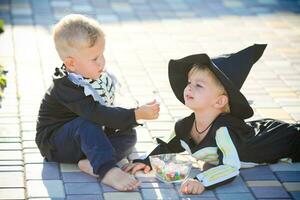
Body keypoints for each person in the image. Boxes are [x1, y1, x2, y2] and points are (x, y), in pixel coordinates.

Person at [123, 44, 300, 194]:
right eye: (189, 82)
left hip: (284, 139)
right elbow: (167, 145)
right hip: (260, 131)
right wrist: (145, 161)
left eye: (198, 85)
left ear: (220, 101)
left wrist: (202, 180)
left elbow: (230, 167)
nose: (189, 88)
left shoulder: (223, 131)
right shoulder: (184, 126)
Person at [35, 14, 160, 192]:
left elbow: (106, 112)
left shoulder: (91, 78)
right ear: (71, 63)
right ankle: (107, 170)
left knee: (128, 134)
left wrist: (128, 119)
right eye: (94, 59)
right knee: (86, 124)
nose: (101, 62)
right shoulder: (67, 87)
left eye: (101, 55)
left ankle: (90, 161)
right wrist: (135, 114)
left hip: (85, 138)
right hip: (56, 143)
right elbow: (98, 113)